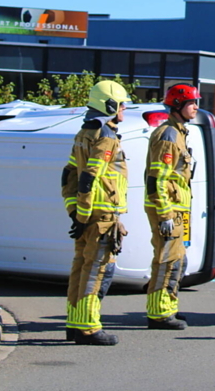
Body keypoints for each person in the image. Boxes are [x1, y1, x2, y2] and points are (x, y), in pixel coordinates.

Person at [62, 80, 131, 345]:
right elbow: (90, 176)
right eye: (122, 104)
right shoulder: (107, 135)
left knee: (81, 267)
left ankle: (74, 323)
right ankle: (88, 327)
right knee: (99, 271)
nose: (124, 109)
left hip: (87, 214)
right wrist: (81, 216)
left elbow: (68, 174)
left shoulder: (83, 132)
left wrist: (74, 211)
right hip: (102, 216)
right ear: (110, 105)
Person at [144, 84, 200, 330]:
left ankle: (168, 307)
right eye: (191, 103)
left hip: (178, 209)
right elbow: (158, 179)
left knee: (177, 259)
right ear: (177, 106)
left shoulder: (178, 132)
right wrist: (165, 215)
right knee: (167, 260)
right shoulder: (168, 135)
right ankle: (159, 313)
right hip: (168, 210)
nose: (196, 107)